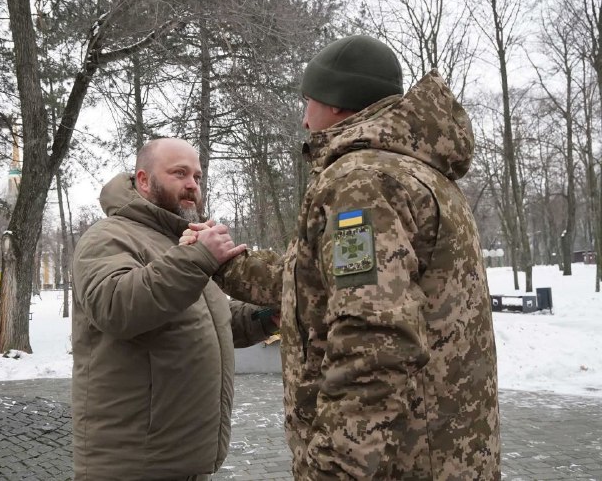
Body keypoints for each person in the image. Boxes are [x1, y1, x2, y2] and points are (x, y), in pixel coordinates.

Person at [183, 35, 501, 479]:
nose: (304, 117)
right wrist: (226, 263)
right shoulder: (416, 171)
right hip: (441, 453)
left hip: (396, 463)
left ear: (335, 103)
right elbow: (325, 282)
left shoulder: (362, 182)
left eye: (308, 100)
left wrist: (330, 469)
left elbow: (374, 340)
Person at [71, 137, 278, 481]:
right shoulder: (108, 237)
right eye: (179, 173)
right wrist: (199, 257)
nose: (191, 185)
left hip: (185, 461)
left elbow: (209, 323)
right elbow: (116, 308)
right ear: (143, 180)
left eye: (197, 176)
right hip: (133, 464)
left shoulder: (182, 242)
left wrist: (264, 317)